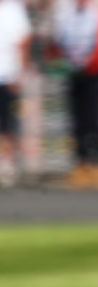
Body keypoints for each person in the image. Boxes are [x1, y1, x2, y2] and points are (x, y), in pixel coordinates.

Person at [52, 0, 98, 189]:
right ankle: (81, 164)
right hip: (74, 74)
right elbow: (57, 44)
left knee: (95, 120)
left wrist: (90, 66)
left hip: (94, 74)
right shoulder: (64, 14)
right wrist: (63, 65)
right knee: (77, 122)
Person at [0, 0, 31, 187]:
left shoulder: (13, 9)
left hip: (8, 76)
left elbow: (23, 42)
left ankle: (7, 164)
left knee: (8, 124)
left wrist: (20, 73)